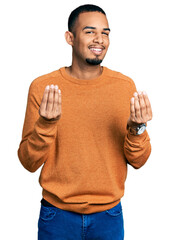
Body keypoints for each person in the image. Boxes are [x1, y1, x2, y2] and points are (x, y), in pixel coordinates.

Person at [18, 4, 152, 240]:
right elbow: (28, 162)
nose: (99, 39)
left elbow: (139, 161)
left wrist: (137, 129)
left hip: (108, 216)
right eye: (90, 31)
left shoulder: (124, 87)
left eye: (105, 33)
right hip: (56, 216)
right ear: (70, 37)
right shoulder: (43, 87)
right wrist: (46, 125)